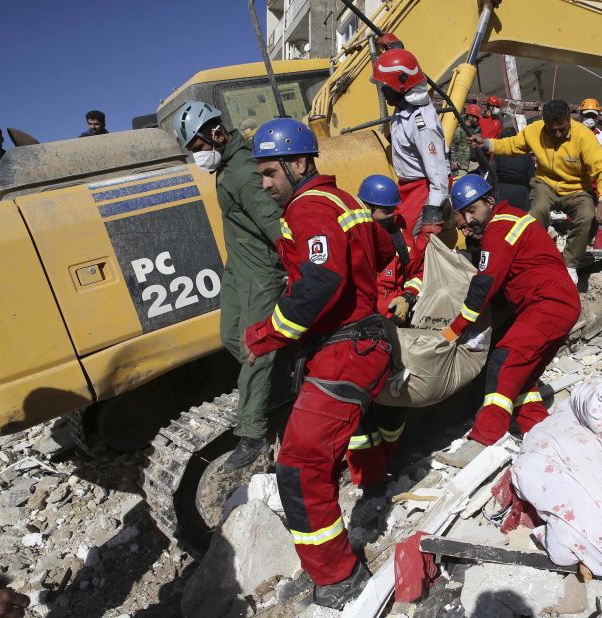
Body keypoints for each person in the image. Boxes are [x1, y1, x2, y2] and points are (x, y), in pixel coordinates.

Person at [243, 118, 396, 609]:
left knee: (299, 465)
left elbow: (319, 281)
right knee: (344, 439)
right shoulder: (346, 202)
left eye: (270, 173)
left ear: (299, 162)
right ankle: (373, 493)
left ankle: (337, 576)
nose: (264, 186)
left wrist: (265, 336)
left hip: (347, 349)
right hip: (362, 342)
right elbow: (387, 248)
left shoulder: (308, 207)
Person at [172, 100, 287, 469]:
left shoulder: (244, 172)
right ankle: (281, 379)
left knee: (256, 348)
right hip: (238, 270)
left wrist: (295, 266)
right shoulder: (226, 166)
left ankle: (252, 433)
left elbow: (275, 226)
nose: (197, 157)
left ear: (217, 134)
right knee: (230, 337)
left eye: (198, 148)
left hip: (260, 274)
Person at [436, 175, 581, 467]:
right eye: (462, 217)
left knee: (503, 362)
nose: (468, 220)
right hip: (556, 304)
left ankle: (483, 440)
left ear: (489, 202)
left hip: (546, 305)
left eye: (472, 210)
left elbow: (485, 283)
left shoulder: (499, 227)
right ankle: (541, 431)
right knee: (522, 377)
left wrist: (455, 330)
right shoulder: (513, 218)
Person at [471, 99, 602, 282]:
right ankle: (535, 258)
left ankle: (569, 265)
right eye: (552, 129)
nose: (557, 133)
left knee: (586, 215)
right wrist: (488, 144)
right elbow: (513, 144)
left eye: (561, 128)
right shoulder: (535, 130)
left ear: (568, 121)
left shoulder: (584, 136)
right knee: (536, 212)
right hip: (545, 183)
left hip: (576, 188)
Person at [344, 174, 420, 489]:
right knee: (358, 418)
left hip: (392, 336)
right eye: (383, 212)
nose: (389, 217)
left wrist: (408, 296)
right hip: (357, 337)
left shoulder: (401, 237)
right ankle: (367, 481)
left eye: (392, 211)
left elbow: (417, 273)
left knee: (392, 413)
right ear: (367, 207)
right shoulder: (352, 238)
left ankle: (388, 463)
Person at [371, 49, 450, 236]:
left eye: (386, 86)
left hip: (425, 188)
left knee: (412, 243)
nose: (382, 91)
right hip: (408, 187)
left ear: (401, 86)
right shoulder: (403, 106)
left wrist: (433, 212)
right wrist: (395, 47)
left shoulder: (423, 124)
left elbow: (438, 173)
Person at [492, 126, 534, 210]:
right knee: (521, 219)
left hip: (503, 189)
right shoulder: (526, 153)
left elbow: (492, 172)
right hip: (522, 191)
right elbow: (531, 175)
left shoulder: (499, 152)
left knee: (504, 218)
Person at [450, 104, 483, 177]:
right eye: (476, 117)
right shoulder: (460, 129)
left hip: (474, 164)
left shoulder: (477, 129)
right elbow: (454, 146)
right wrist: (454, 161)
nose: (477, 119)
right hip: (462, 164)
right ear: (470, 116)